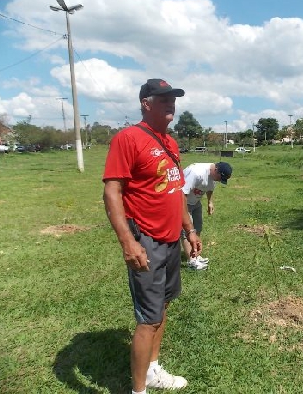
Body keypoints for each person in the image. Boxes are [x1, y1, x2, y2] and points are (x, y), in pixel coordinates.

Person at [103, 78, 202, 393]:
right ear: (146, 103)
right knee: (148, 319)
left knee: (163, 307)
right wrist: (128, 242)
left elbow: (177, 191)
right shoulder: (128, 139)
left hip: (171, 240)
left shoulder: (169, 142)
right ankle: (139, 390)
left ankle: (152, 370)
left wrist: (189, 229)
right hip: (146, 240)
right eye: (163, 99)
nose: (171, 103)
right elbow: (112, 192)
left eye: (173, 99)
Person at [181, 162, 233, 270]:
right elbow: (182, 194)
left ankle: (195, 254)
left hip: (196, 202)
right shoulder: (196, 173)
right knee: (187, 231)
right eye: (220, 178)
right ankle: (191, 261)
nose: (219, 181)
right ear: (216, 170)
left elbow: (210, 188)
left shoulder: (213, 176)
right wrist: (184, 212)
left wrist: (210, 202)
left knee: (197, 227)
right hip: (183, 203)